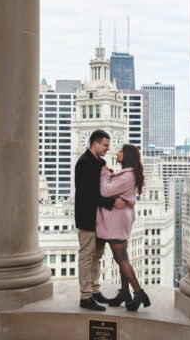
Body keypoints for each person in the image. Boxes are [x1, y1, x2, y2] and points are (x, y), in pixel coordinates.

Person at [96, 144, 150, 311]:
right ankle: (125, 293)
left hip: (116, 221)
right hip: (120, 220)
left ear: (126, 156)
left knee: (121, 259)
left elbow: (105, 191)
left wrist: (104, 172)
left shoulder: (127, 176)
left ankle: (139, 293)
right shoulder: (127, 174)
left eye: (120, 151)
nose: (117, 153)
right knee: (123, 257)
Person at [74, 129, 123, 311]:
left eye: (109, 146)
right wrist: (112, 202)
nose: (108, 149)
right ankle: (85, 297)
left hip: (100, 218)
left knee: (97, 256)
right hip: (87, 218)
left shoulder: (99, 162)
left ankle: (95, 291)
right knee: (86, 256)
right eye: (105, 145)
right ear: (95, 143)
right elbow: (90, 194)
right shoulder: (84, 163)